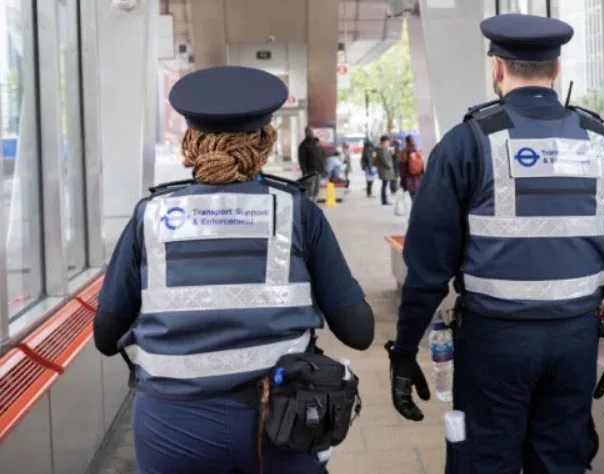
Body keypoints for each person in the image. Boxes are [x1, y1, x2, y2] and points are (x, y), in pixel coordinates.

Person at [385, 14, 604, 474]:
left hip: (493, 344)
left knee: (484, 461)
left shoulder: (467, 143)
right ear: (557, 69)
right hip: (575, 342)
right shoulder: (601, 143)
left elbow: (427, 266)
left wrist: (405, 350)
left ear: (498, 68)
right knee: (561, 461)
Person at [93, 66, 375, 474]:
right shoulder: (296, 213)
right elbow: (359, 332)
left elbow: (106, 337)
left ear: (191, 143)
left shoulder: (150, 217)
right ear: (264, 142)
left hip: (172, 428)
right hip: (281, 423)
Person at [298, 126, 327, 200]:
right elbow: (302, 161)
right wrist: (305, 173)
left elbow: (322, 155)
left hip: (319, 171)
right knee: (310, 191)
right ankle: (309, 204)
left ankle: (314, 203)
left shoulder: (316, 143)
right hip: (310, 172)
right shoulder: (303, 145)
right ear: (306, 133)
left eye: (311, 131)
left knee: (316, 190)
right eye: (308, 131)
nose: (311, 133)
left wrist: (324, 168)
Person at [398, 135, 424, 200]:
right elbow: (422, 164)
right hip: (419, 177)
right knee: (419, 195)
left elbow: (402, 168)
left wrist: (402, 182)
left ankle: (415, 205)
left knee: (413, 196)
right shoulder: (418, 150)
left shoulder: (404, 152)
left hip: (409, 177)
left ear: (406, 142)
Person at [374, 135, 395, 206]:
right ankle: (384, 200)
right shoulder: (382, 150)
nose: (388, 143)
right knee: (384, 186)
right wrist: (390, 166)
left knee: (385, 185)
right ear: (383, 142)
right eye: (387, 142)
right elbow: (385, 160)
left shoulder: (384, 149)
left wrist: (391, 153)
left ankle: (385, 200)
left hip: (385, 170)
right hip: (385, 171)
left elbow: (387, 157)